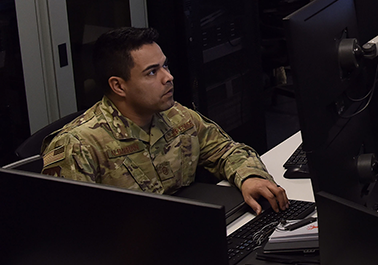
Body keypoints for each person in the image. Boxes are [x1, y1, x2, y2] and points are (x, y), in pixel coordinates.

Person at [41, 27, 288, 215]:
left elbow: (226, 150)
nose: (168, 77)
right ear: (118, 86)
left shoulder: (176, 116)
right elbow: (70, 232)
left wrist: (249, 177)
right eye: (152, 72)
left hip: (179, 235)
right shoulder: (79, 145)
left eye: (165, 66)